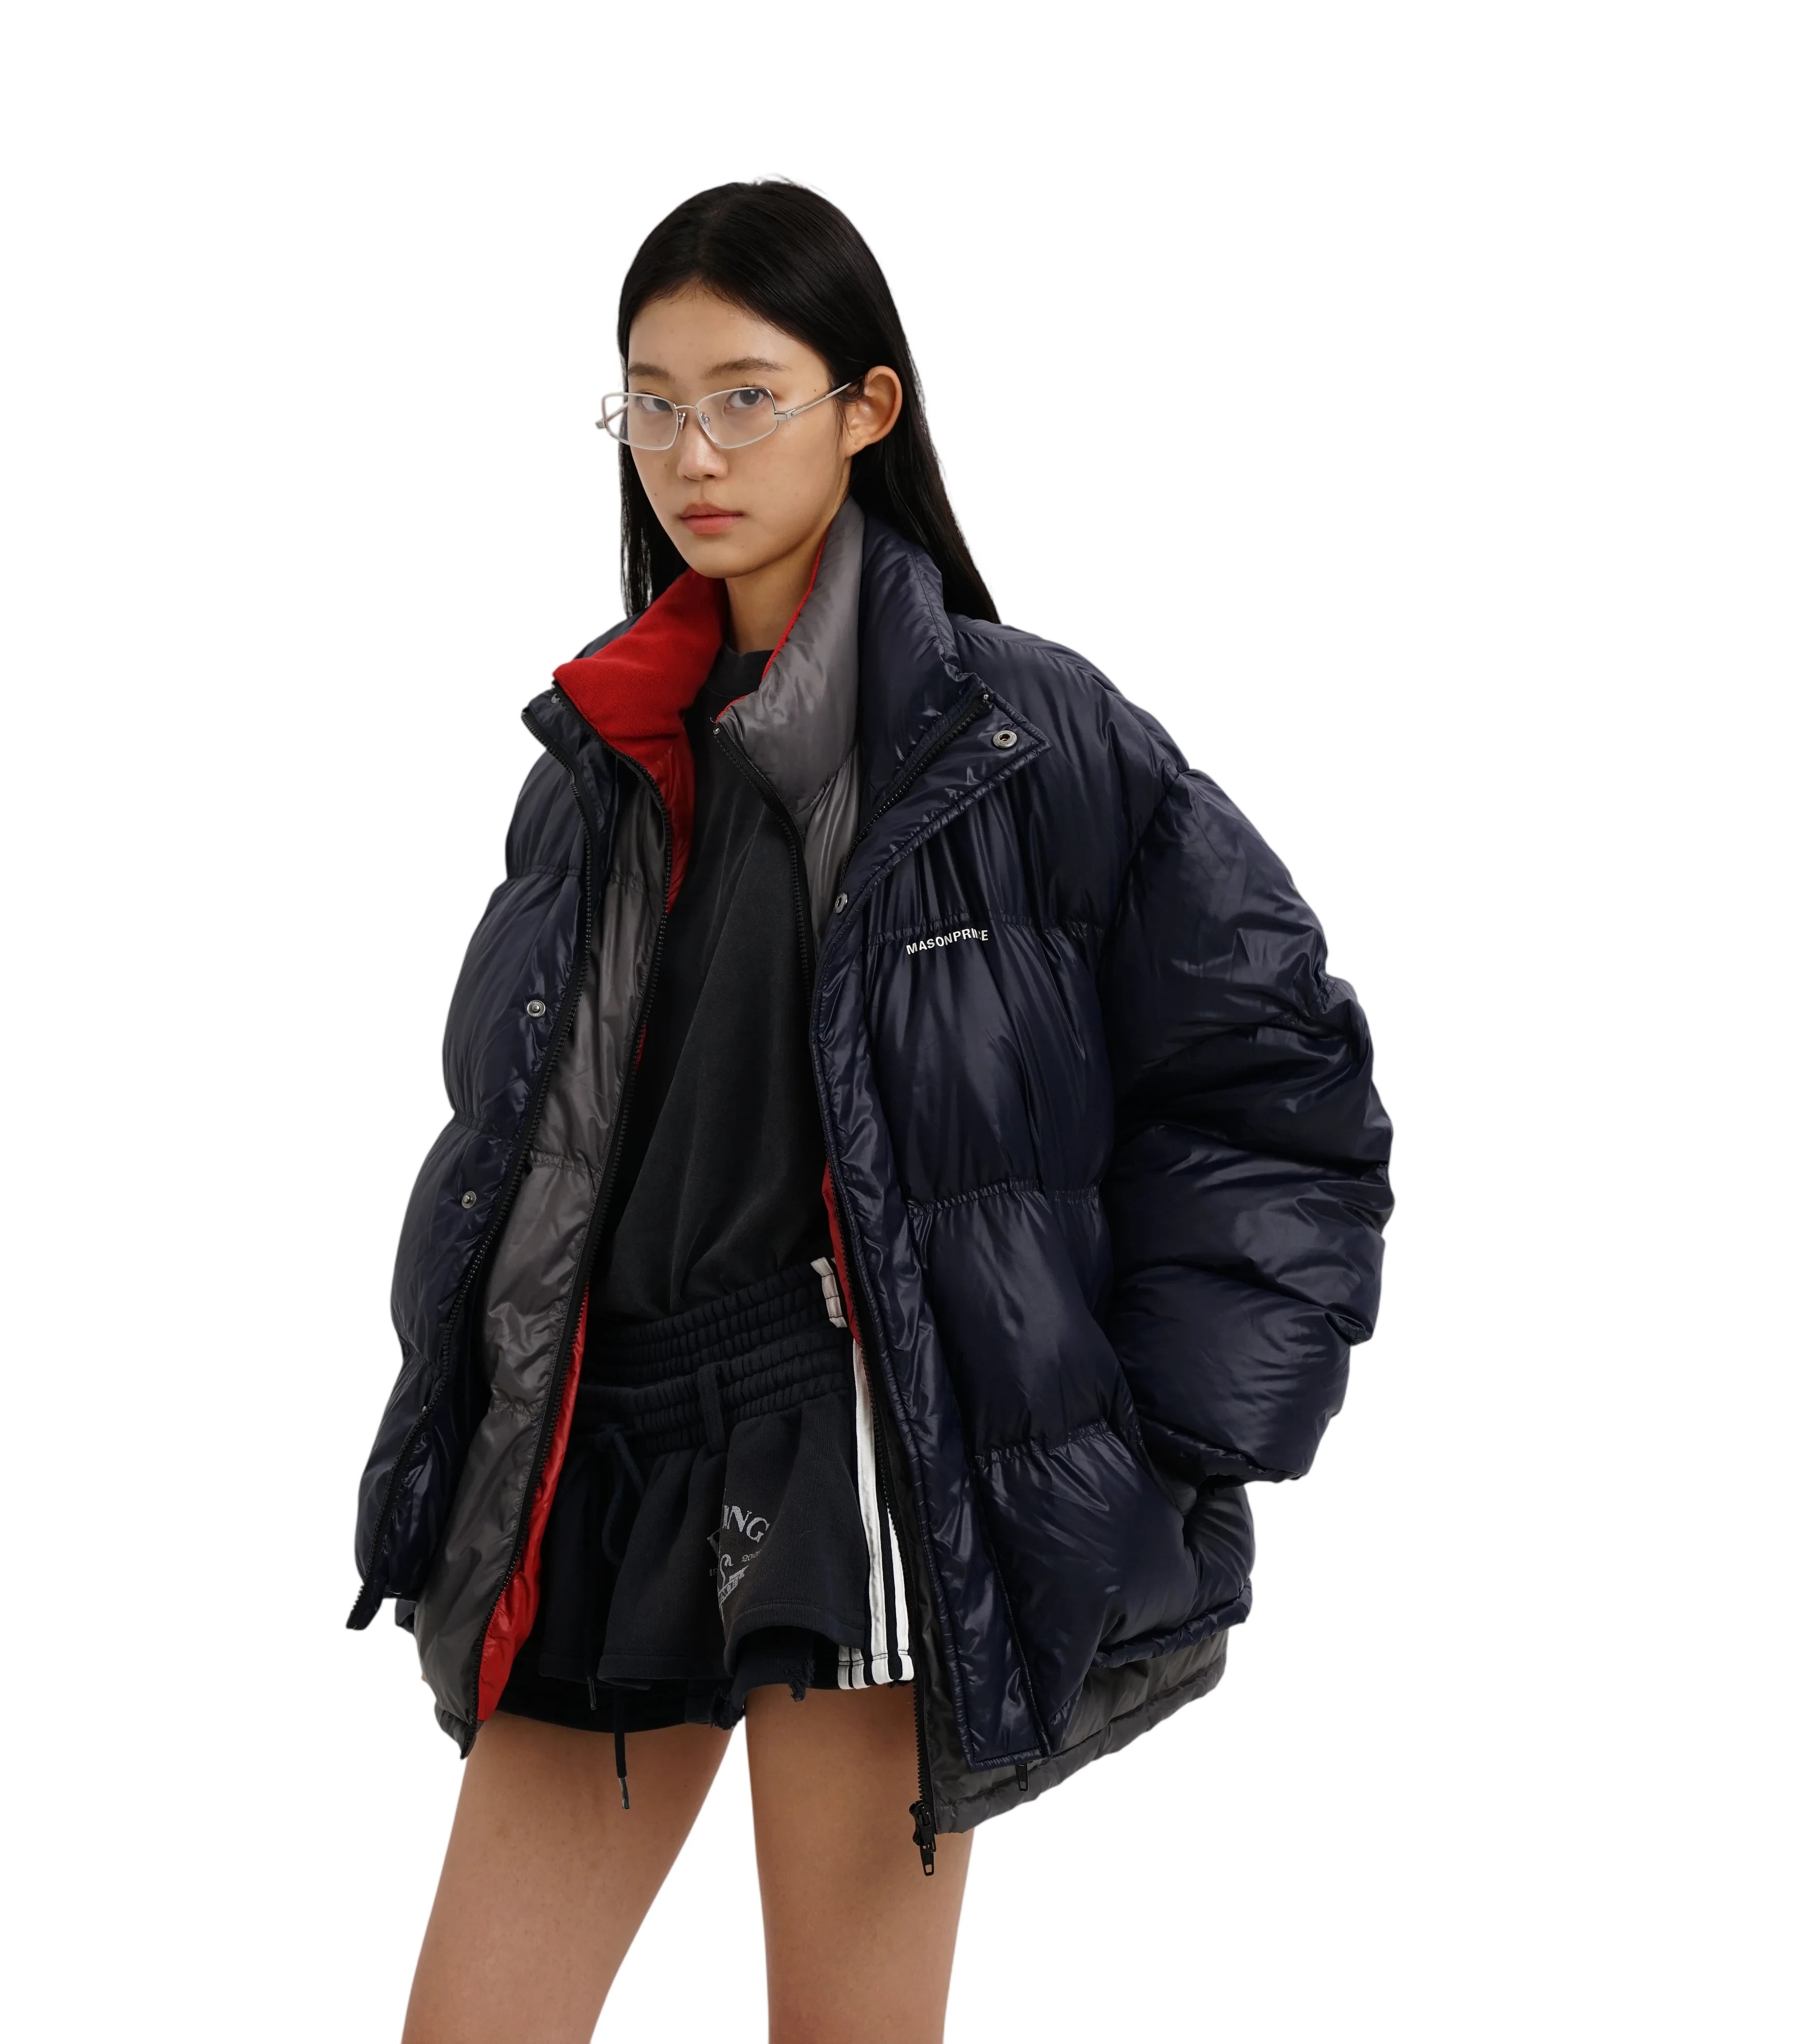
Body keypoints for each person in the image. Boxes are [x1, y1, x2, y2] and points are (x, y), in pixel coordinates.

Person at [349, 179, 1394, 2044]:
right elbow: (522, 1153)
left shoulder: (1024, 736)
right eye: (652, 402)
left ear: (868, 408)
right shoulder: (598, 761)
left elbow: (1273, 1071)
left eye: (747, 396)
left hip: (855, 1428)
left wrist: (1153, 1430)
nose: (693, 451)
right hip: (609, 1438)